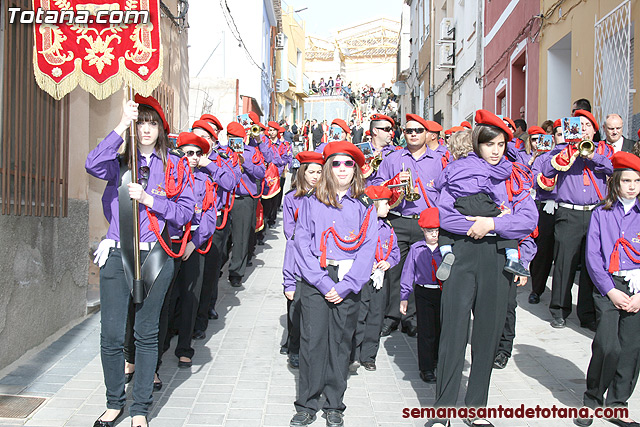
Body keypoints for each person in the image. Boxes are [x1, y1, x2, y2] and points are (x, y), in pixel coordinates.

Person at [86, 96, 195, 427]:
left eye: (152, 123)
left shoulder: (175, 166)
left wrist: (151, 199)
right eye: (141, 122)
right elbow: (92, 163)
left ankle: (140, 407)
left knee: (146, 334)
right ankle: (113, 402)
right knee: (111, 334)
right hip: (118, 254)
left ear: (161, 129)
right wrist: (121, 124)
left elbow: (186, 211)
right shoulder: (120, 160)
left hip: (156, 256)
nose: (146, 129)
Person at [428, 110, 537, 427]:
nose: (495, 150)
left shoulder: (515, 175)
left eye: (501, 144)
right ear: (477, 144)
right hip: (461, 258)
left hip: (498, 260)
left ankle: (476, 410)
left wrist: (491, 224)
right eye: (489, 144)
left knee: (487, 335)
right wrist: (476, 226)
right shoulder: (457, 172)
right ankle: (442, 411)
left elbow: (528, 219)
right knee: (453, 334)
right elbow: (444, 217)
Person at [289, 141, 378, 427]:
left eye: (348, 163)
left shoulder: (365, 204)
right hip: (317, 279)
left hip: (348, 281)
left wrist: (346, 285)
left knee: (340, 343)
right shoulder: (311, 201)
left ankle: (334, 403)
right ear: (328, 168)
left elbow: (368, 247)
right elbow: (301, 242)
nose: (342, 169)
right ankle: (307, 403)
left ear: (356, 169)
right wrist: (321, 280)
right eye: (336, 163)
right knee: (312, 342)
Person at [574, 151, 640, 427]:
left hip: (637, 286)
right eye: (627, 180)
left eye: (637, 180)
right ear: (615, 183)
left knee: (630, 349)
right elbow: (593, 257)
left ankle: (617, 404)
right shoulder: (602, 213)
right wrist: (610, 291)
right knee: (607, 344)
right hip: (609, 285)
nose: (632, 186)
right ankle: (592, 398)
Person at [371, 114, 448, 338]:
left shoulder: (439, 161)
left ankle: (412, 317)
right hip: (398, 220)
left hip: (427, 223)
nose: (413, 134)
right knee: (394, 270)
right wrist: (394, 182)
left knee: (422, 271)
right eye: (409, 131)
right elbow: (376, 185)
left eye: (418, 131)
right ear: (403, 134)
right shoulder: (393, 158)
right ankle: (392, 316)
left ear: (427, 134)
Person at [540, 109, 613, 330]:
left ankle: (587, 314)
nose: (583, 130)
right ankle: (559, 310)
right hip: (568, 212)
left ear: (594, 130)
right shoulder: (562, 150)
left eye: (587, 126)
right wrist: (569, 152)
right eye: (578, 126)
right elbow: (545, 170)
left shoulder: (603, 150)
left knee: (592, 264)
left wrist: (592, 156)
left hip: (596, 213)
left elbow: (613, 167)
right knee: (564, 261)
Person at [166, 132, 218, 368]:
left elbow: (208, 217)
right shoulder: (168, 175)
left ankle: (184, 347)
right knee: (167, 297)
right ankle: (161, 344)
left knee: (190, 297)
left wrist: (193, 243)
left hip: (192, 244)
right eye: (189, 153)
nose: (194, 158)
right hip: (168, 242)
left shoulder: (205, 181)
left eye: (199, 153)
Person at [350, 185, 399, 372]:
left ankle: (369, 356)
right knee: (359, 315)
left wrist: (389, 262)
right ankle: (353, 354)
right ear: (374, 205)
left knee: (376, 315)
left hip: (380, 278)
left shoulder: (388, 227)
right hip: (363, 278)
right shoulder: (360, 226)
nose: (389, 207)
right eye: (386, 204)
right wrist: (364, 262)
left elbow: (394, 251)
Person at [281, 151, 324, 365]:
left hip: (320, 256)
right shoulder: (292, 198)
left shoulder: (326, 197)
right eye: (312, 172)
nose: (316, 176)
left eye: (319, 172)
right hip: (298, 257)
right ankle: (294, 346)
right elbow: (290, 231)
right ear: (302, 173)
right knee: (294, 305)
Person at [399, 207, 442, 383]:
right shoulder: (416, 249)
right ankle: (426, 368)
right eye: (430, 231)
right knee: (425, 331)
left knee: (440, 329)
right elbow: (408, 273)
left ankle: (437, 359)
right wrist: (404, 297)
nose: (434, 235)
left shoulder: (447, 249)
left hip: (442, 292)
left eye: (437, 231)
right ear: (422, 230)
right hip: (423, 292)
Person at [227, 122, 266, 287]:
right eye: (230, 136)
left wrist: (245, 163)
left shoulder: (252, 152)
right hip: (225, 198)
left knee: (241, 237)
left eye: (237, 137)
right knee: (222, 240)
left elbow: (261, 172)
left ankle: (236, 272)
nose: (234, 139)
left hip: (243, 198)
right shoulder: (221, 152)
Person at [528, 119, 562, 305]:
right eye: (558, 135)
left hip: (565, 207)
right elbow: (533, 180)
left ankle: (559, 296)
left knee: (563, 255)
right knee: (543, 250)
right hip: (546, 205)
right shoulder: (543, 157)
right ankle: (537, 289)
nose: (562, 138)